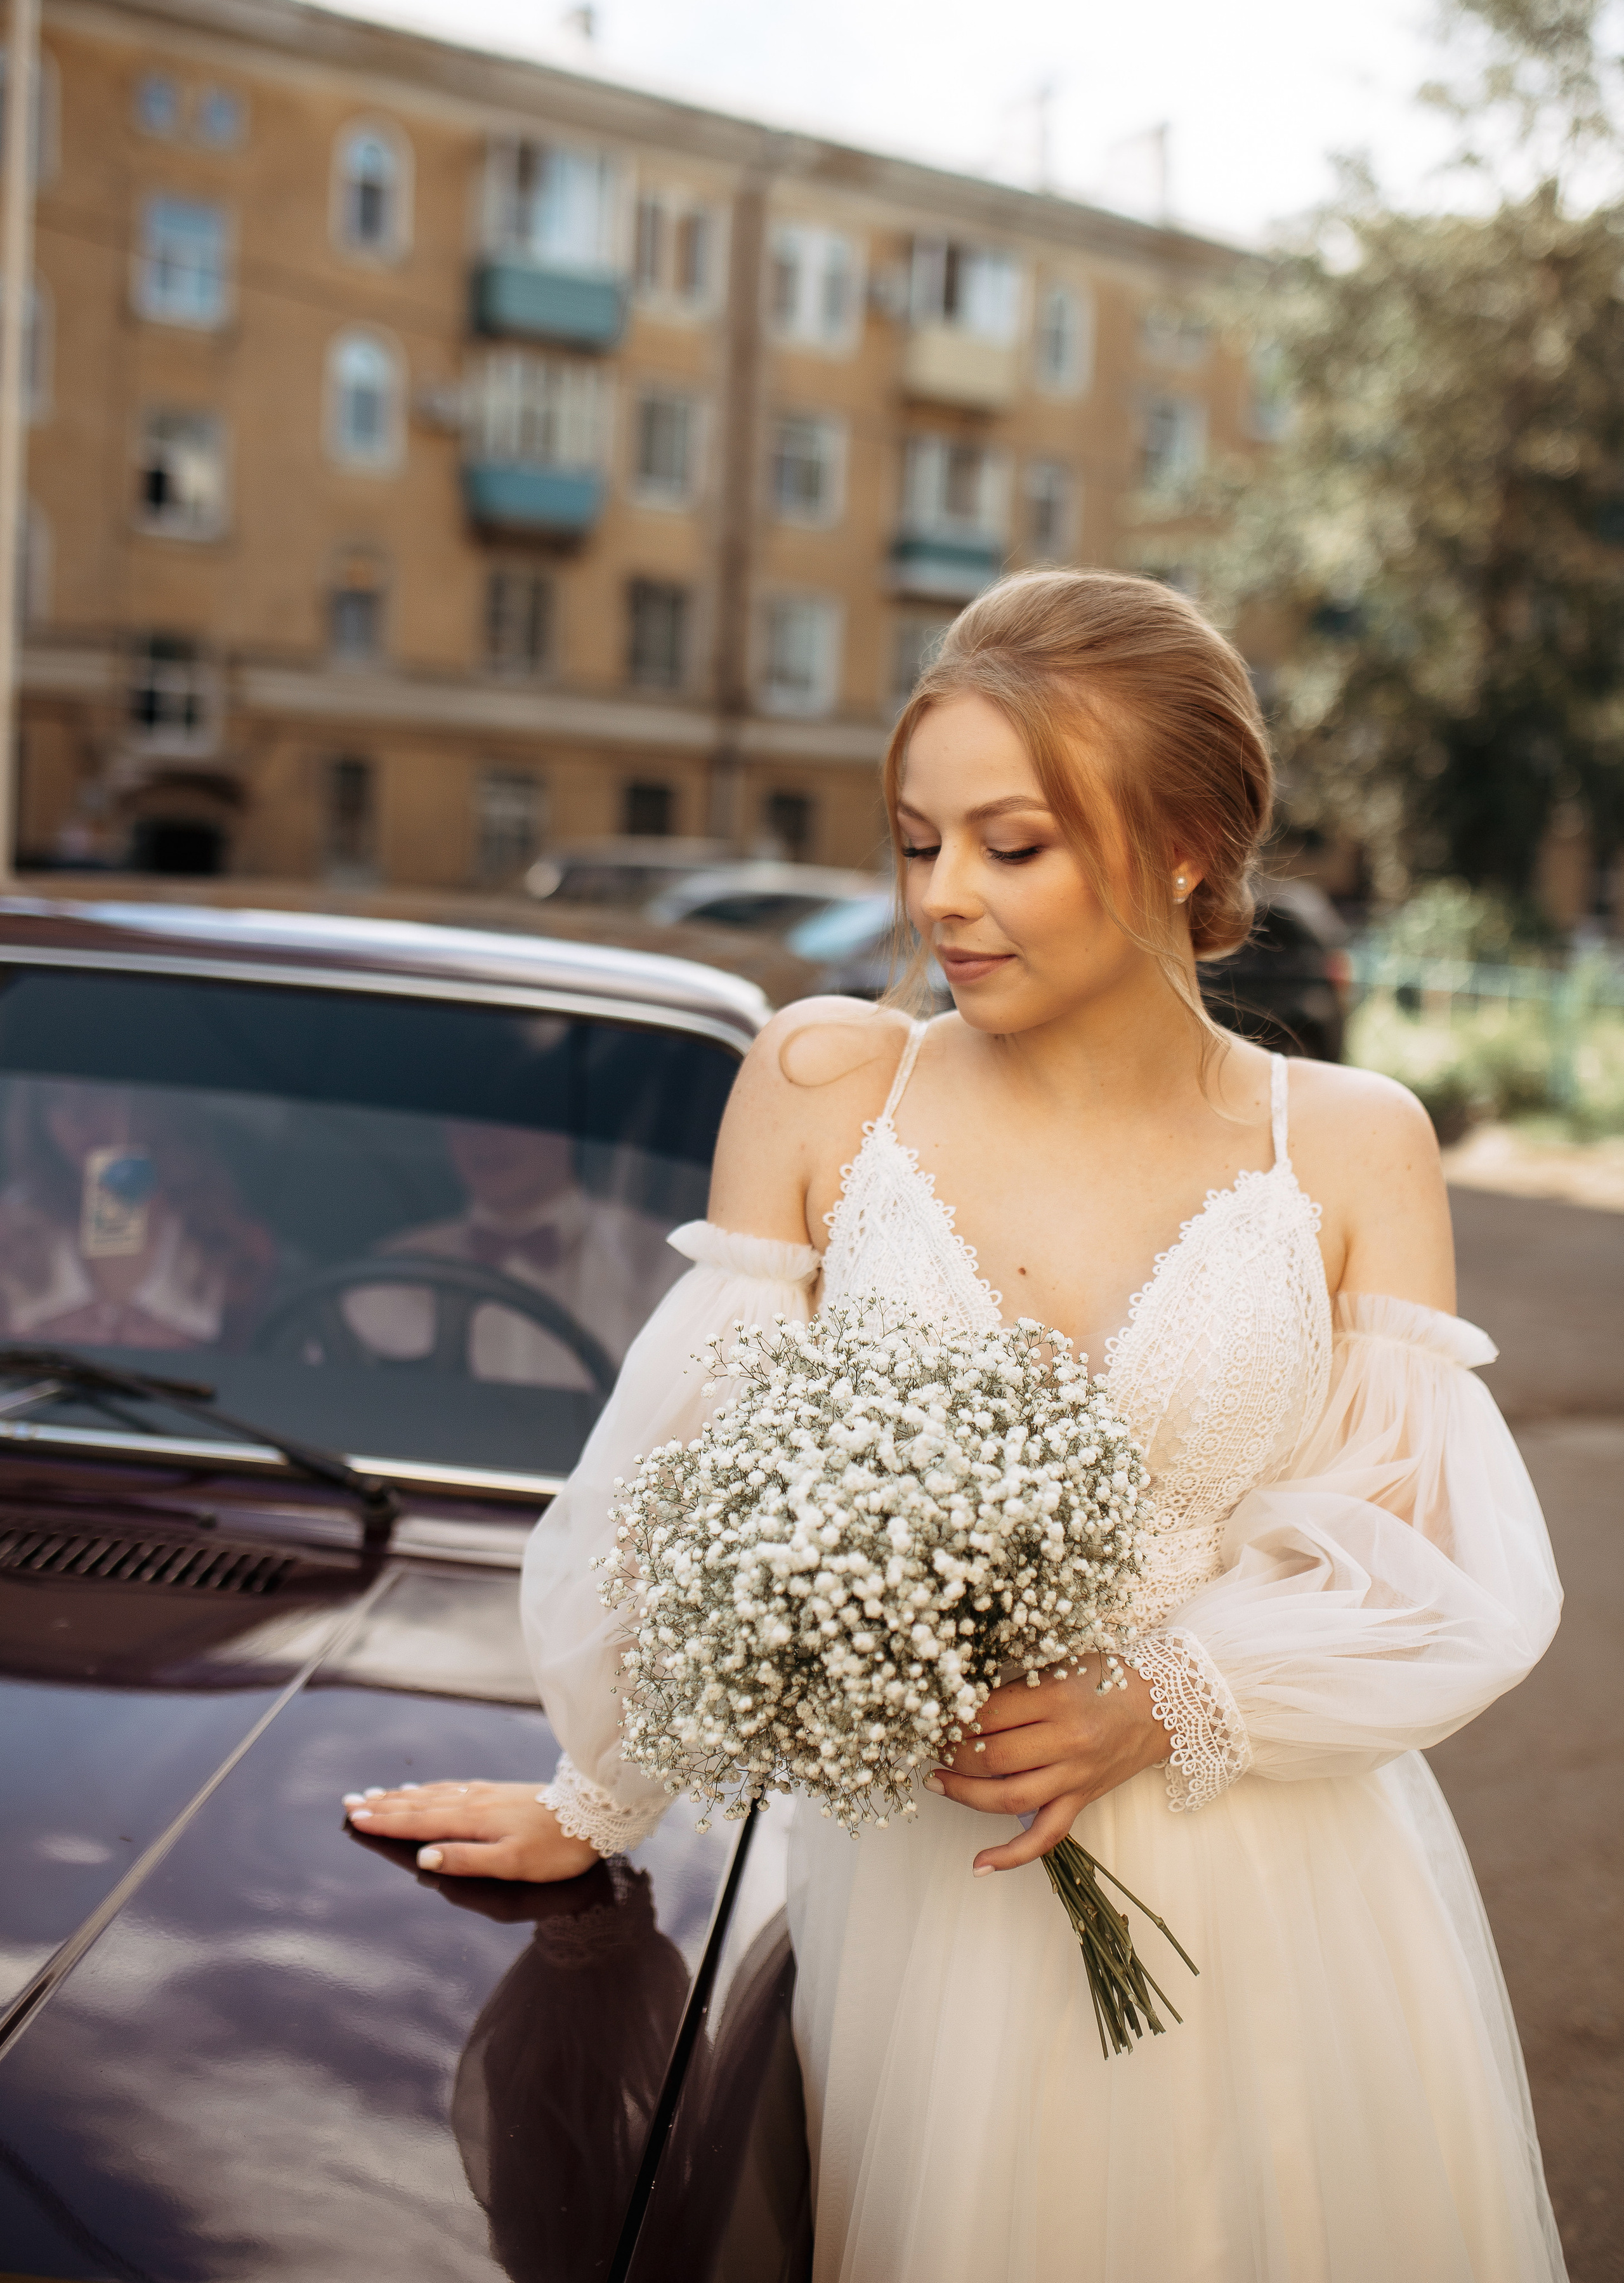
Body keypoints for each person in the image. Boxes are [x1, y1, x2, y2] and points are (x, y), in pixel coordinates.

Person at [344, 571, 1565, 2281]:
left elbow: (1435, 1566)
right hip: (924, 1895)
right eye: (920, 843)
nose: (946, 902)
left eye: (1014, 844)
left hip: (1275, 1891)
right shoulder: (829, 1079)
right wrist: (600, 1788)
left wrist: (1162, 1698)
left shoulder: (1353, 1142)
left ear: (1190, 844)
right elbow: (683, 1470)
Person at [341, 1118, 679, 1386]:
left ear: (563, 1128)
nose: (485, 1139)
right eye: (467, 1120)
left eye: (511, 1117)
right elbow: (334, 1398)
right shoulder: (396, 1269)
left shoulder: (664, 1262)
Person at [0, 1077, 274, 1350]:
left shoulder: (228, 1239)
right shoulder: (9, 1230)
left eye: (97, 1093)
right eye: (56, 1100)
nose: (78, 1117)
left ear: (155, 1102)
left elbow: (240, 1375)